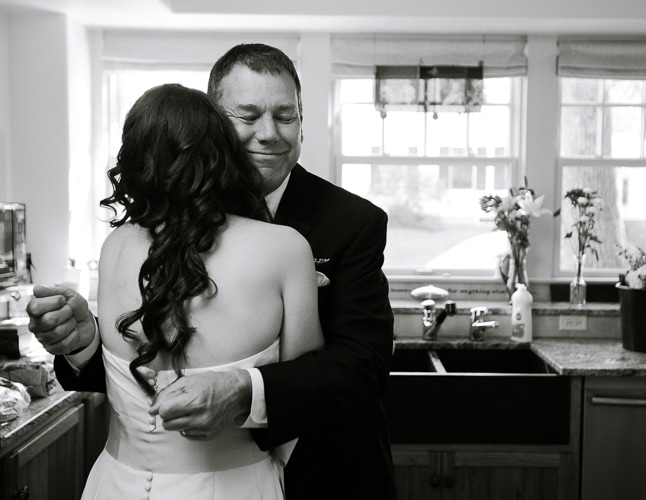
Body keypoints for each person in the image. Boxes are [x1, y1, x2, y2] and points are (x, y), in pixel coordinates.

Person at [27, 44, 397, 499]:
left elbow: (364, 366)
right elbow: (149, 375)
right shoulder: (157, 226)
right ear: (213, 123)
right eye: (248, 116)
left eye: (287, 116)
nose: (270, 134)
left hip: (326, 477)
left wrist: (246, 391)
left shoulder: (351, 221)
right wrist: (85, 343)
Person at [75, 82, 325, 498]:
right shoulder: (285, 248)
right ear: (223, 153)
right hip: (231, 486)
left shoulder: (114, 247)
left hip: (114, 483)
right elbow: (305, 397)